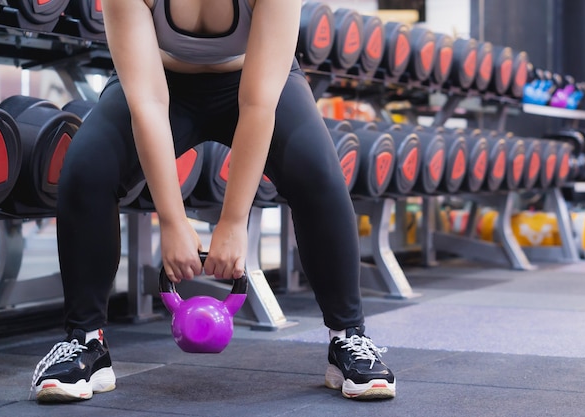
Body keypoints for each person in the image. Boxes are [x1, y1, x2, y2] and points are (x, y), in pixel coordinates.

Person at [30, 0, 396, 402]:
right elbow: (148, 103)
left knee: (320, 173)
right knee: (86, 167)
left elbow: (257, 104)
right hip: (161, 83)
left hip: (253, 84)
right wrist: (171, 220)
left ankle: (347, 336)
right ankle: (86, 341)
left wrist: (234, 221)